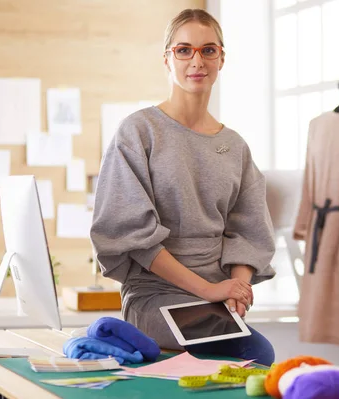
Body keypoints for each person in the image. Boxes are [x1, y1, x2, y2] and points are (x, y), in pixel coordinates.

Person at [90, 8, 277, 366]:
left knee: (253, 355)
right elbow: (130, 233)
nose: (197, 60)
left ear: (221, 59)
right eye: (184, 50)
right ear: (167, 59)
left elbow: (249, 232)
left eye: (208, 50)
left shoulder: (235, 146)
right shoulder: (139, 131)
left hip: (218, 298)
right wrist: (210, 290)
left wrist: (237, 290)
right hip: (155, 295)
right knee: (254, 352)